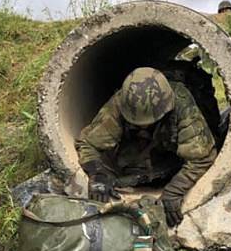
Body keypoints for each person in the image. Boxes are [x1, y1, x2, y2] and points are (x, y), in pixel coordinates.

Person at [75, 67, 218, 227]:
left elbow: (203, 157)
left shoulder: (181, 103)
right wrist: (97, 173)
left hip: (173, 149)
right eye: (138, 123)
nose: (144, 126)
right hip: (142, 151)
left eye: (149, 122)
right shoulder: (120, 102)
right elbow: (88, 143)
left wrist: (174, 191)